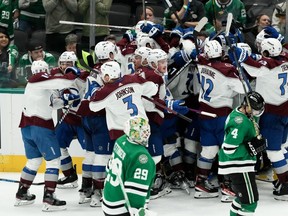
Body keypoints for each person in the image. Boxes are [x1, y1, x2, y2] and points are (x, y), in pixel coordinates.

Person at [14, 60, 81, 211]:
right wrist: (71, 75)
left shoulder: (38, 86)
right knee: (53, 161)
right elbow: (60, 81)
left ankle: (22, 193)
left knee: (34, 160)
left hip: (27, 128)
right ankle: (49, 199)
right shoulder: (38, 79)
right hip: (41, 127)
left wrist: (64, 101)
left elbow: (51, 103)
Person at [235, 38, 288, 201]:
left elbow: (254, 68)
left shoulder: (266, 67)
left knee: (273, 151)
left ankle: (285, 185)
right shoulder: (285, 60)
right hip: (285, 109)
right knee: (283, 146)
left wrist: (240, 55)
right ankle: (282, 180)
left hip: (273, 113)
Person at [218, 91, 266, 216]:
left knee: (241, 199)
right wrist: (251, 147)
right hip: (239, 166)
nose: (257, 114)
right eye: (255, 110)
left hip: (239, 165)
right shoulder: (240, 123)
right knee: (250, 203)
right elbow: (228, 149)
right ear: (247, 106)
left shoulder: (242, 113)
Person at [102, 116, 156, 216]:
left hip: (108, 199)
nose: (145, 134)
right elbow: (135, 197)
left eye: (145, 131)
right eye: (142, 132)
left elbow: (108, 168)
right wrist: (139, 211)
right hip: (120, 209)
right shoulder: (142, 158)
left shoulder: (120, 141)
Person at [49, 51, 88, 189]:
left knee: (90, 151)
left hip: (84, 119)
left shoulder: (84, 76)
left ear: (74, 64)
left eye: (68, 63)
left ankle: (94, 181)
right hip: (68, 117)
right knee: (58, 145)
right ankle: (69, 175)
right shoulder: (55, 76)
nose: (64, 66)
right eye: (62, 63)